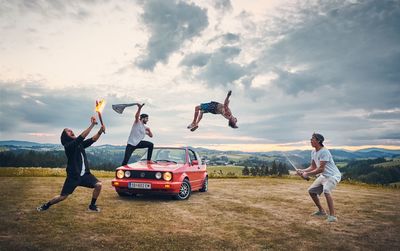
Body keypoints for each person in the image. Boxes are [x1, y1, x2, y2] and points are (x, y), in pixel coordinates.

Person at [37, 116, 105, 212]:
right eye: (68, 131)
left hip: (85, 175)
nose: (71, 131)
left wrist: (100, 132)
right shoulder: (69, 146)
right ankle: (46, 205)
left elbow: (93, 139)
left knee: (98, 185)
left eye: (71, 130)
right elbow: (82, 137)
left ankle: (92, 206)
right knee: (63, 196)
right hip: (73, 177)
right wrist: (93, 125)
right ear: (65, 136)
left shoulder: (79, 144)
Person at [297, 133, 342, 222]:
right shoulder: (313, 152)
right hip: (324, 176)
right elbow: (313, 167)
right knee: (312, 191)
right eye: (311, 139)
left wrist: (307, 174)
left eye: (312, 139)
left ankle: (332, 216)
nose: (310, 140)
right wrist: (302, 171)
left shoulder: (324, 151)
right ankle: (321, 211)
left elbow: (321, 169)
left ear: (318, 141)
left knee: (326, 190)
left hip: (333, 176)